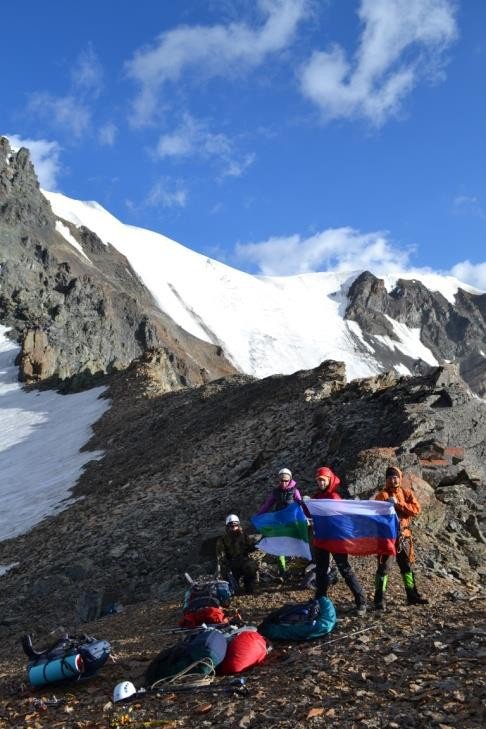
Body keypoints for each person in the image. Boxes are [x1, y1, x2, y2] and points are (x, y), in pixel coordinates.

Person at [311, 466, 367, 616]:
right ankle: (320, 601)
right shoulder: (316, 497)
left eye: (323, 480)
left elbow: (339, 517)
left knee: (344, 569)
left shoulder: (335, 497)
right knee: (321, 571)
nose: (320, 483)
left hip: (335, 539)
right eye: (318, 480)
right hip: (322, 538)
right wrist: (305, 504)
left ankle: (361, 601)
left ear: (329, 480)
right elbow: (310, 514)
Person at [374, 466, 428, 609]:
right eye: (390, 478)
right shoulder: (382, 496)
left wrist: (399, 504)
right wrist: (388, 504)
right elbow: (376, 514)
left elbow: (416, 510)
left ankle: (412, 596)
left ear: (400, 478)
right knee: (383, 568)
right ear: (386, 480)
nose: (394, 480)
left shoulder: (406, 493)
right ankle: (379, 600)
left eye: (396, 477)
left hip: (404, 536)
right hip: (388, 538)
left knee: (407, 567)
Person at [256, 468, 302, 577]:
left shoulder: (295, 491)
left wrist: (304, 518)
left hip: (292, 523)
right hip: (279, 523)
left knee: (298, 545)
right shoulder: (275, 492)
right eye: (281, 480)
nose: (284, 483)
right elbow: (267, 505)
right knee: (279, 547)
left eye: (286, 480)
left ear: (290, 479)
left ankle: (299, 569)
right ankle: (283, 571)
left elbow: (301, 506)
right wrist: (259, 516)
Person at [215, 514, 258, 594]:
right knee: (234, 590)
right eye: (231, 526)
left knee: (251, 566)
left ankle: (248, 585)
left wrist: (256, 545)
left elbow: (250, 548)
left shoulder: (244, 536)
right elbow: (221, 557)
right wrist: (227, 566)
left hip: (243, 561)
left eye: (236, 526)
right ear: (227, 527)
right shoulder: (222, 540)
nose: (234, 528)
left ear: (238, 526)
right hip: (231, 564)